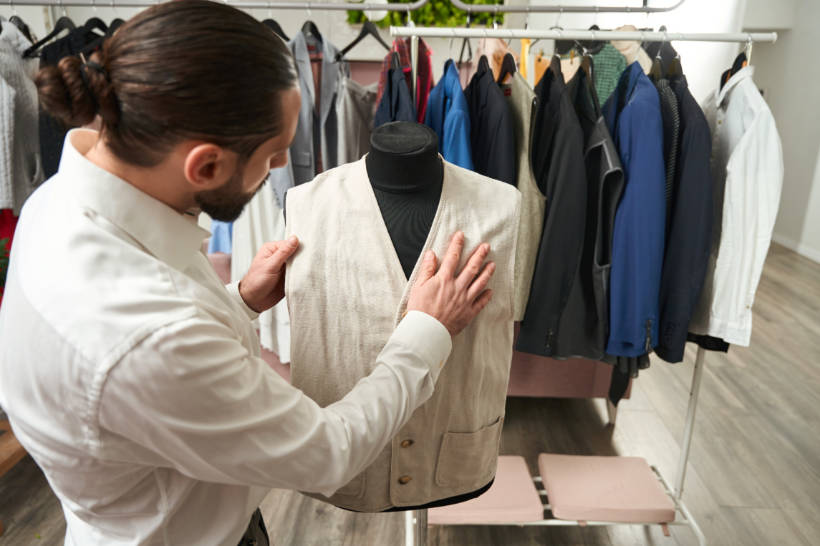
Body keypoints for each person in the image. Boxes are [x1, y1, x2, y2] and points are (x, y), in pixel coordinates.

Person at [0, 2, 497, 545]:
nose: (282, 169)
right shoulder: (150, 335)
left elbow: (162, 374)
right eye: (274, 153)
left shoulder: (59, 203)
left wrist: (238, 301)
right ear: (207, 165)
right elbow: (327, 452)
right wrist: (425, 329)